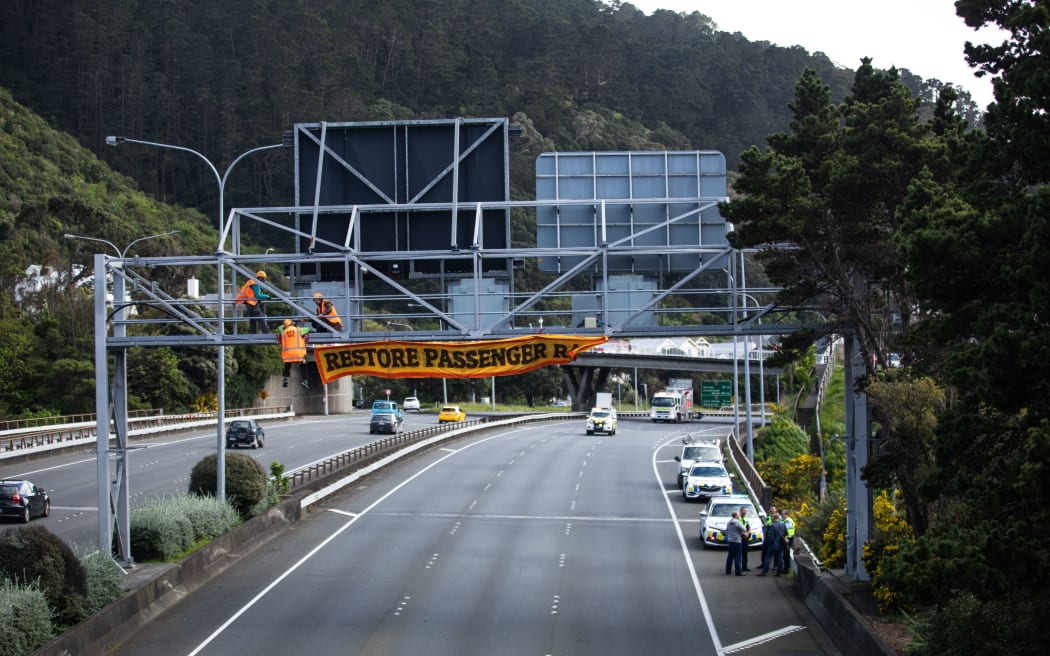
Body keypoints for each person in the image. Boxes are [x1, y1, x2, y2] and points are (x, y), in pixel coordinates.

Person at [277, 319, 311, 388]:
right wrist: (297, 326)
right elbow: (308, 329)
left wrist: (285, 325)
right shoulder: (299, 330)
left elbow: (279, 328)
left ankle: (285, 379)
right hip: (298, 354)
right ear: (292, 324)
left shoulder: (283, 331)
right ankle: (305, 381)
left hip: (288, 355)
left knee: (287, 365)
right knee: (304, 365)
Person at [725, 511, 747, 576]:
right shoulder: (737, 522)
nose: (739, 516)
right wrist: (741, 533)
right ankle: (738, 572)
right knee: (737, 556)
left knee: (730, 556)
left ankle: (728, 571)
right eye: (738, 515)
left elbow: (726, 532)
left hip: (730, 541)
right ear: (736, 516)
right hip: (737, 541)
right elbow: (744, 529)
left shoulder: (728, 522)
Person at [758, 504, 777, 573]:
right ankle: (763, 564)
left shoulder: (777, 517)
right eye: (771, 509)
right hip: (767, 535)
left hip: (774, 537)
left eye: (773, 509)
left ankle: (775, 566)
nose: (772, 510)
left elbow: (774, 524)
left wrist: (768, 524)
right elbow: (766, 523)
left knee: (774, 553)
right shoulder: (768, 516)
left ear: (775, 510)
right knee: (764, 550)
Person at [781, 509, 796, 574]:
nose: (781, 515)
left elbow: (787, 531)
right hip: (787, 539)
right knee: (785, 555)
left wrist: (786, 538)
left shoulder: (788, 521)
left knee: (786, 555)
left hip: (788, 540)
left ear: (786, 514)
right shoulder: (784, 520)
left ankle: (787, 569)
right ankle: (786, 569)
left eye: (782, 514)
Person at [739, 506, 752, 571]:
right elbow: (737, 528)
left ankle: (745, 566)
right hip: (739, 537)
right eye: (744, 511)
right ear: (741, 511)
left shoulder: (746, 518)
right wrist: (744, 533)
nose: (745, 512)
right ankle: (739, 567)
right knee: (739, 552)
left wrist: (748, 533)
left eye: (746, 511)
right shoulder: (738, 518)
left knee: (745, 552)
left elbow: (749, 527)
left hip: (745, 537)